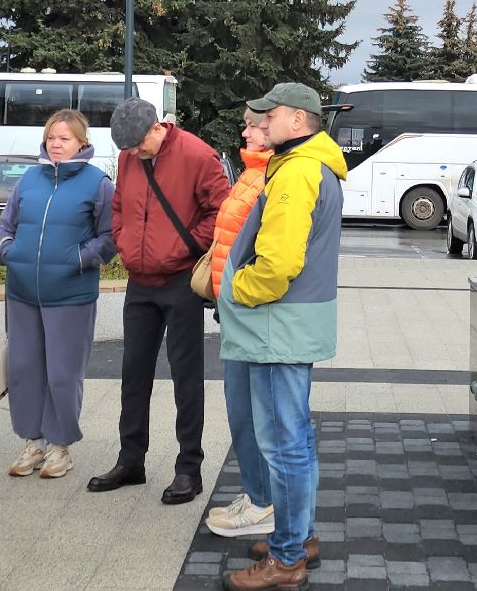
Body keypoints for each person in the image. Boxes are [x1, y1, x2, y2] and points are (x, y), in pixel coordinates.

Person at [218, 82, 346, 589]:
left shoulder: (296, 172)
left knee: (284, 444)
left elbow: (278, 264)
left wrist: (238, 290)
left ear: (298, 120)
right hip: (287, 325)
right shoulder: (309, 166)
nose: (260, 124)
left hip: (277, 325)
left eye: (269, 116)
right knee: (295, 439)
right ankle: (301, 535)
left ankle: (287, 557)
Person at [87, 98, 229, 502]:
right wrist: (126, 244)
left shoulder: (197, 154)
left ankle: (189, 468)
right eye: (126, 149)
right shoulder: (132, 157)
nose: (132, 154)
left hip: (181, 279)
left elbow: (222, 210)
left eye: (137, 145)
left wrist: (184, 246)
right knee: (133, 374)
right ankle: (131, 459)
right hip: (140, 280)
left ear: (156, 128)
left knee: (187, 378)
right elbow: (119, 206)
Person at [0, 108, 115, 480]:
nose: (57, 144)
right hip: (22, 293)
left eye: (65, 138)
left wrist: (78, 260)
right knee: (24, 370)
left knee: (62, 374)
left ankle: (60, 446)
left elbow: (110, 237)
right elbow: (6, 224)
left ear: (82, 142)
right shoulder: (29, 180)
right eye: (51, 138)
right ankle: (33, 442)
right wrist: (8, 252)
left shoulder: (98, 183)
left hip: (70, 296)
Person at [205, 109, 274, 538]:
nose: (244, 131)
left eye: (252, 125)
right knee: (242, 411)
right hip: (234, 308)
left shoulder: (270, 177)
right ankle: (257, 494)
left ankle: (263, 503)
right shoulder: (252, 172)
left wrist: (238, 291)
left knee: (252, 414)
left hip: (249, 311)